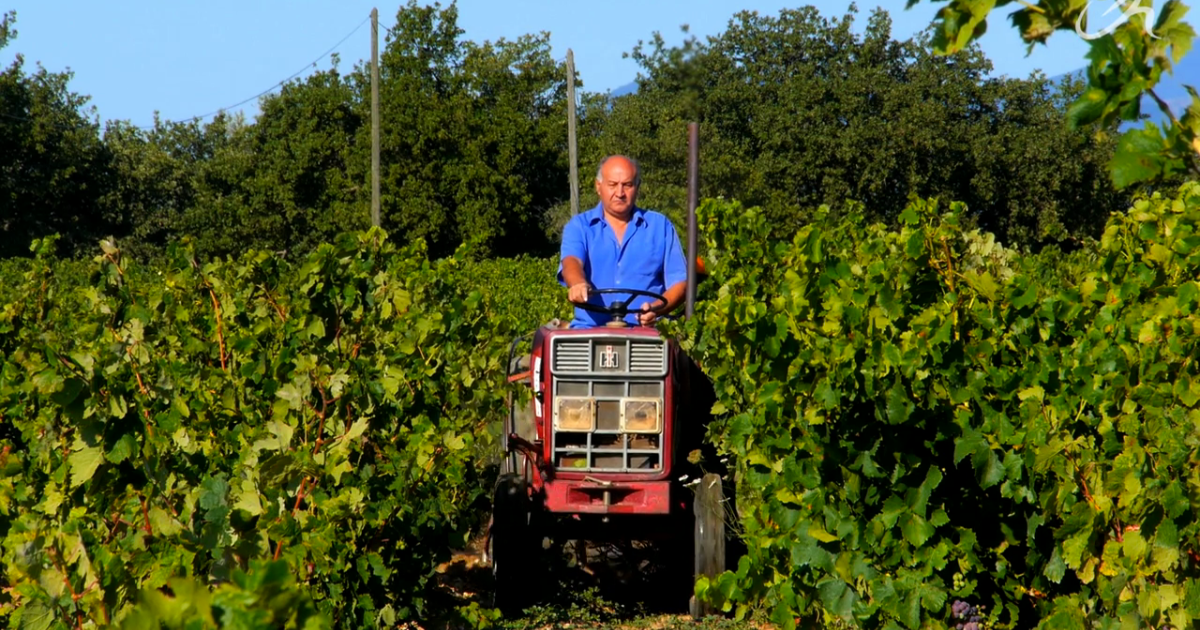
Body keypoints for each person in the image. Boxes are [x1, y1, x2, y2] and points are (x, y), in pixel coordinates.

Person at [557, 155, 687, 328]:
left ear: (637, 187)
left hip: (645, 333)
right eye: (612, 185)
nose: (620, 193)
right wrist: (578, 283)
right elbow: (571, 262)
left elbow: (680, 281)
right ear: (598, 186)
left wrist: (655, 310)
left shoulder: (660, 226)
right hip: (591, 331)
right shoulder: (580, 226)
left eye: (627, 185)